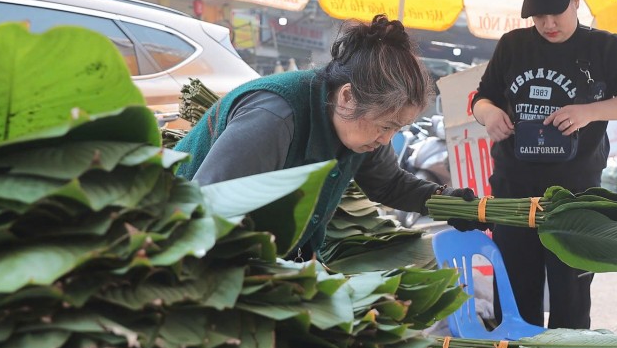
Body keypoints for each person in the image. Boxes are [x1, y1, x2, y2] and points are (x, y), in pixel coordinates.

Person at [173, 14, 474, 258]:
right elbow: (207, 205)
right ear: (347, 96)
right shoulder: (276, 117)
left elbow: (389, 184)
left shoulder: (361, 128)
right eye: (386, 126)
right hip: (182, 243)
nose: (387, 139)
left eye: (397, 129)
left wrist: (443, 202)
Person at [471, 0, 617, 330]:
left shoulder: (603, 48)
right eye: (538, 15)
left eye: (556, 11)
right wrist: (489, 114)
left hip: (574, 198)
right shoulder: (512, 46)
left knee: (571, 302)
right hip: (513, 196)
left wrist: (590, 111)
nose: (548, 23)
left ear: (576, 0)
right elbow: (481, 97)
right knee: (514, 297)